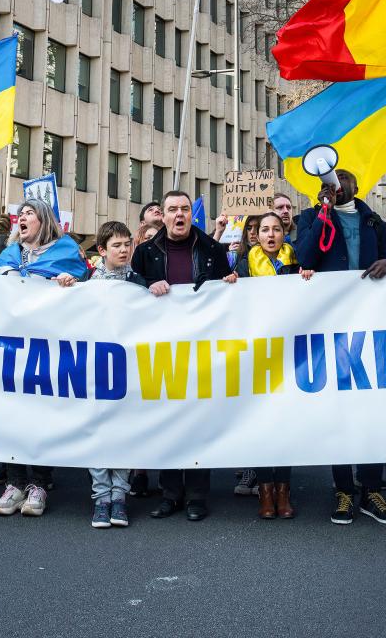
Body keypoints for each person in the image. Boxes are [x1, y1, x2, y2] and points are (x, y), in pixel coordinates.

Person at [0, 198, 88, 517]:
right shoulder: (10, 253)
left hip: (48, 347)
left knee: (40, 413)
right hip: (12, 348)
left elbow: (86, 290)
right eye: (21, 214)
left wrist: (73, 284)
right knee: (11, 413)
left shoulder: (66, 251)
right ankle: (14, 484)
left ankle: (39, 484)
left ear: (44, 220)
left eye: (30, 213)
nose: (23, 218)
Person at [293, 169, 386, 526]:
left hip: (369, 322)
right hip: (331, 324)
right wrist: (322, 211)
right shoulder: (309, 217)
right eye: (328, 182)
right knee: (338, 404)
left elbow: (383, 260)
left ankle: (371, 488)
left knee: (370, 402)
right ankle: (343, 490)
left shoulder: (373, 221)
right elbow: (306, 258)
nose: (335, 185)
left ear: (356, 187)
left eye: (342, 180)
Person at [131, 190, 238, 521]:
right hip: (161, 349)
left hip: (200, 348)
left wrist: (231, 281)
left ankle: (196, 497)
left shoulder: (211, 248)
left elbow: (225, 287)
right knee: (167, 423)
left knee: (198, 423)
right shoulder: (147, 251)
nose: (179, 214)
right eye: (172, 209)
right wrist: (147, 282)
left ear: (192, 214)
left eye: (184, 209)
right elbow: (129, 285)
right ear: (161, 215)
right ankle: (170, 493)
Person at [233, 212, 305, 520]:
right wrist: (230, 284)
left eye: (277, 229)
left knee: (284, 423)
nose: (271, 234)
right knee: (262, 423)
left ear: (285, 232)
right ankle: (265, 491)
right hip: (257, 351)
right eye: (265, 229)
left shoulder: (298, 259)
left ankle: (283, 491)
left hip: (289, 351)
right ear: (257, 234)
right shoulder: (244, 264)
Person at [84, 220, 152, 528]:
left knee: (124, 432)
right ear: (102, 250)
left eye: (127, 244)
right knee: (98, 433)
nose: (124, 250)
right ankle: (101, 499)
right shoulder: (86, 282)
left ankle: (119, 497)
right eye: (117, 246)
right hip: (94, 368)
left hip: (128, 369)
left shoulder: (139, 281)